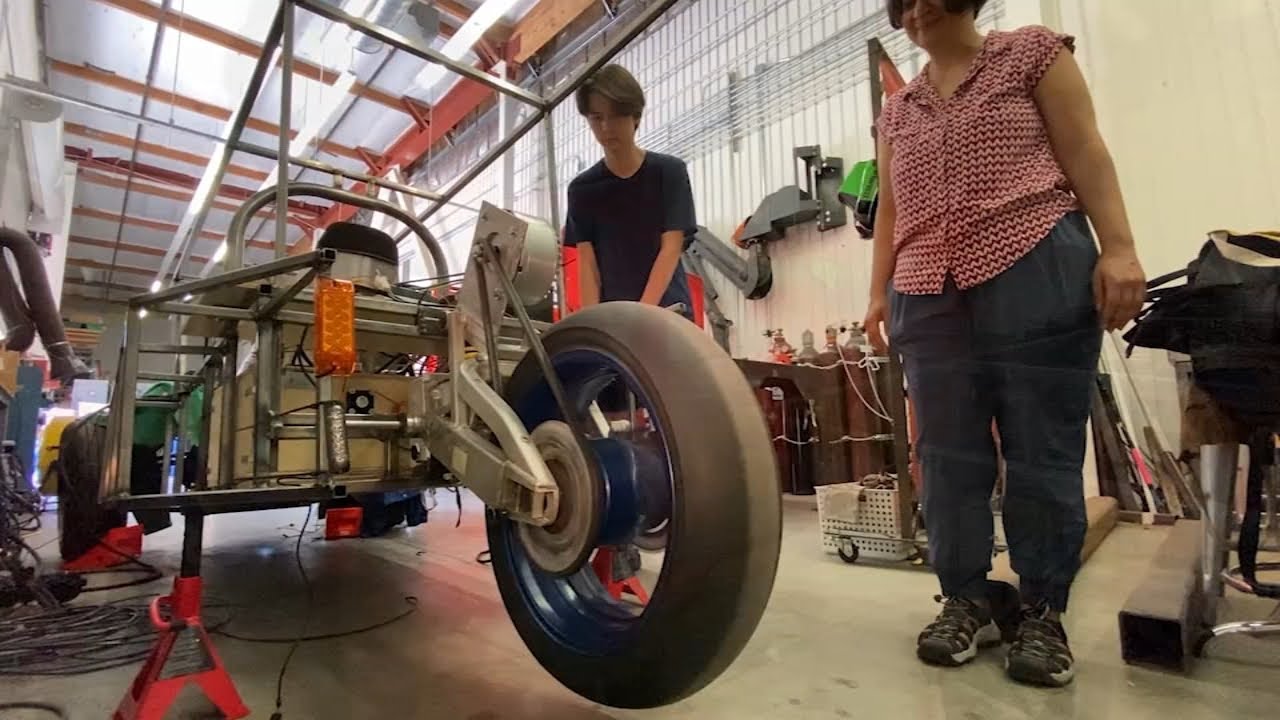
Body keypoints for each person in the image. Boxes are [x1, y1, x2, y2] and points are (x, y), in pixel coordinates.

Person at [863, 0, 1146, 687]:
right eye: (903, 2)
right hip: (926, 288)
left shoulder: (1031, 54)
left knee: (1042, 451)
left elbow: (1085, 149)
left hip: (1035, 266)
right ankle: (967, 598)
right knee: (945, 456)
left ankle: (1043, 611)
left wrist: (1119, 247)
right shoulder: (897, 111)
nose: (916, 10)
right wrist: (877, 293)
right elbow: (891, 209)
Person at [564, 63, 697, 320]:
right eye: (597, 118)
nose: (606, 127)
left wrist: (640, 315)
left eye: (615, 116)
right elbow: (588, 265)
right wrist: (592, 324)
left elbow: (670, 248)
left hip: (669, 313)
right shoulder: (583, 190)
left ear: (635, 116)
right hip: (614, 318)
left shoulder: (669, 172)